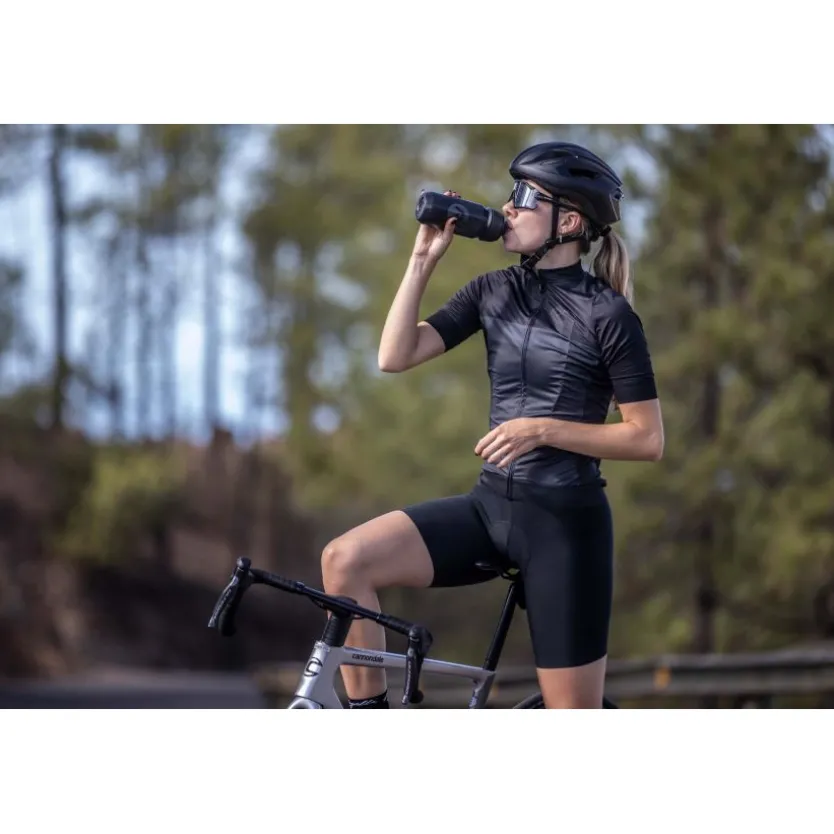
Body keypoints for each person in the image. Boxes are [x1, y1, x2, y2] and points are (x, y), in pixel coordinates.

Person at [321, 141, 664, 708]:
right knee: (345, 560)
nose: (509, 205)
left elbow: (646, 439)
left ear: (569, 222)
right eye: (512, 192)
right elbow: (395, 355)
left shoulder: (609, 316)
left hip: (565, 528)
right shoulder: (492, 291)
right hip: (490, 509)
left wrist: (541, 429)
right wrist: (422, 260)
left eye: (526, 196)